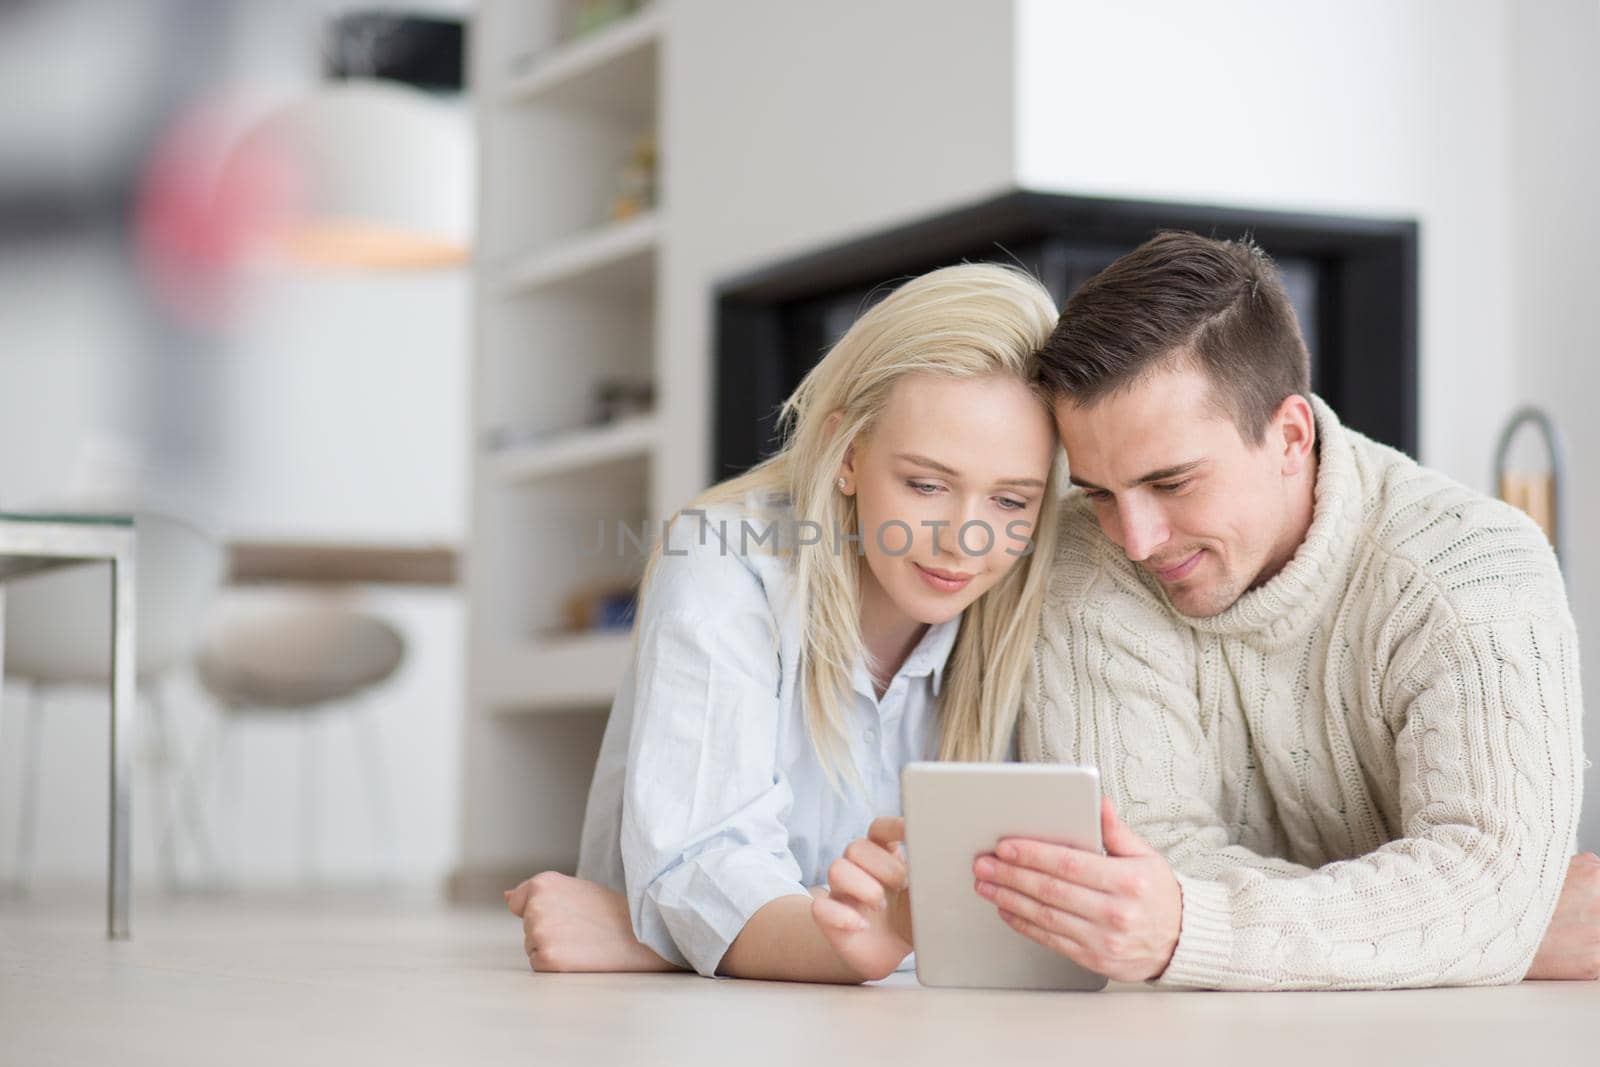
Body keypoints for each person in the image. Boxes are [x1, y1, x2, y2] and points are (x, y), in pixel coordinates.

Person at [822, 231, 1598, 989]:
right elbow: (1141, 865)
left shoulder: (1472, 572)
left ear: (1289, 434)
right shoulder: (1088, 556)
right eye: (1098, 490)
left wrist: (1195, 927)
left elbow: (1483, 882)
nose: (1135, 538)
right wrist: (1456, 930)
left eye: (1171, 482)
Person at [504, 263, 1065, 982]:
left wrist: (656, 942)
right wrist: (861, 941)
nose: (965, 538)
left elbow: (1038, 915)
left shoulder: (1038, 600)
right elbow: (702, 868)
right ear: (848, 453)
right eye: (926, 484)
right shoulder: (724, 562)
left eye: (1011, 501)